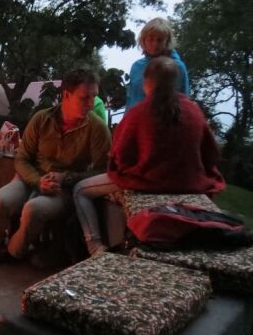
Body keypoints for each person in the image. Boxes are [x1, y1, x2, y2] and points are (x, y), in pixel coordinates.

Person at [73, 56, 225, 256]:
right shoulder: (194, 111)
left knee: (80, 190)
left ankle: (95, 247)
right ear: (176, 83)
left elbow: (119, 158)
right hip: (190, 183)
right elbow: (212, 154)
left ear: (146, 82)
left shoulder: (138, 114)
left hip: (145, 184)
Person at [0, 69, 111, 263]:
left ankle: (11, 253)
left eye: (94, 97)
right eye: (84, 98)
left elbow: (104, 171)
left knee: (34, 209)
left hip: (63, 188)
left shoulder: (96, 128)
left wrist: (66, 178)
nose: (91, 104)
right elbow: (22, 158)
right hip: (31, 178)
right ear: (66, 95)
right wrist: (36, 180)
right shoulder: (42, 119)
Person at [126, 17, 189, 111]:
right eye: (151, 39)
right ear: (143, 40)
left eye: (159, 40)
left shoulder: (177, 67)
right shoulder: (136, 67)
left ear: (167, 42)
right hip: (137, 120)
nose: (155, 44)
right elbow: (131, 100)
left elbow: (184, 101)